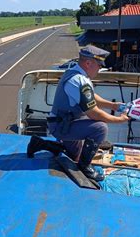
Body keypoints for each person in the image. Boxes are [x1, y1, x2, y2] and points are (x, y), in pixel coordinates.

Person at [44, 45, 129, 182]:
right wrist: (119, 120)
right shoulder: (78, 80)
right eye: (99, 65)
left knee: (73, 156)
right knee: (100, 128)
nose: (100, 69)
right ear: (88, 63)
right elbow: (93, 113)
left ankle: (40, 144)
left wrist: (113, 105)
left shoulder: (76, 74)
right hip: (62, 126)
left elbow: (92, 97)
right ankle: (85, 167)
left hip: (65, 123)